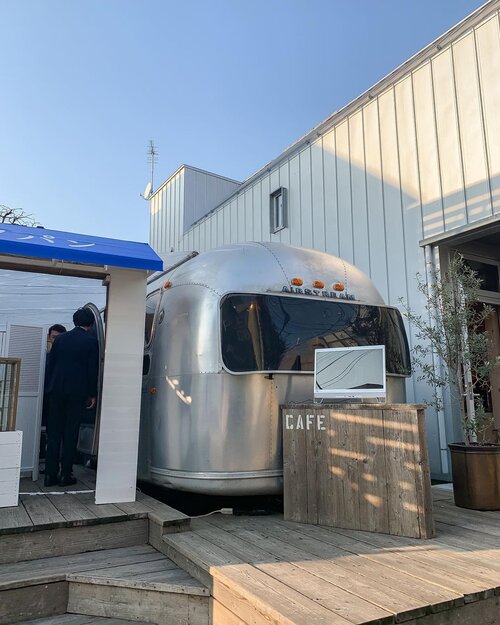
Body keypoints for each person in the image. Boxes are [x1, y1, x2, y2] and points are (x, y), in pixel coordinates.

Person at [44, 308, 98, 487]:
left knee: (54, 432)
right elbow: (92, 371)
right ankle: (65, 475)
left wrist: (49, 388)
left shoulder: (60, 340)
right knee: (70, 432)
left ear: (75, 321)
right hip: (77, 392)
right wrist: (92, 394)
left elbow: (51, 365)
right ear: (90, 325)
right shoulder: (91, 341)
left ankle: (50, 475)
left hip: (56, 390)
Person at [40, 324, 67, 460]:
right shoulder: (44, 357)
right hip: (44, 398)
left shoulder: (65, 359)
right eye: (53, 337)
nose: (56, 340)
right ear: (49, 338)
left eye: (59, 337)